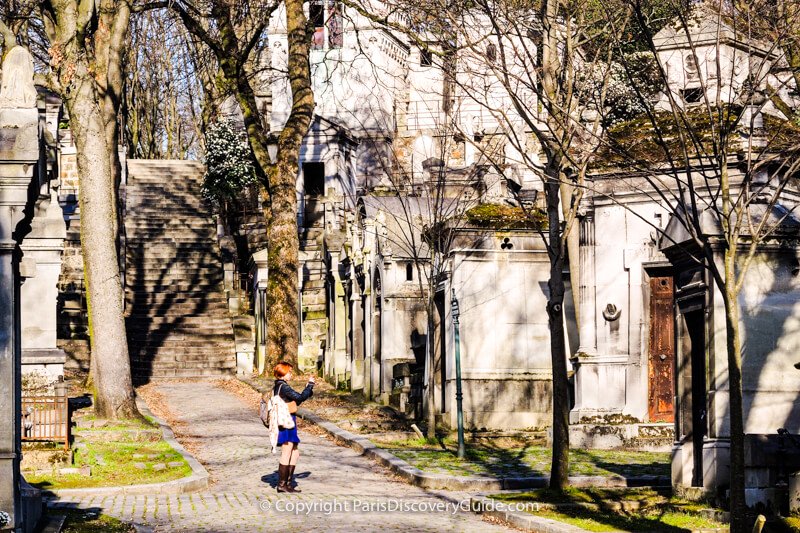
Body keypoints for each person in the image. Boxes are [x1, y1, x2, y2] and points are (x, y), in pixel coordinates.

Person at [271, 361, 314, 493]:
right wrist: (310, 386)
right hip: (286, 422)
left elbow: (298, 398)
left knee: (295, 452)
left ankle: (288, 483)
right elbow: (299, 398)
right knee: (287, 450)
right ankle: (282, 484)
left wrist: (308, 388)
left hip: (289, 420)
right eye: (289, 372)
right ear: (283, 373)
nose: (291, 374)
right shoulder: (283, 386)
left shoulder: (279, 386)